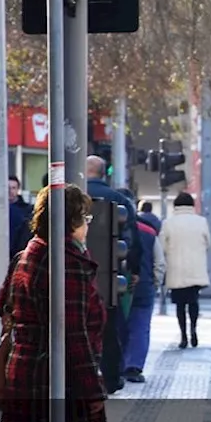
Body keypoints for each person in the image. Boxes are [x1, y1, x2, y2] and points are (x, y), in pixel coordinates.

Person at [0, 184, 108, 422]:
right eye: (84, 216)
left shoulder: (29, 251)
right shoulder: (66, 262)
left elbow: (2, 304)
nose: (88, 223)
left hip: (27, 371)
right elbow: (73, 333)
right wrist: (92, 390)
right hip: (58, 379)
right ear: (70, 219)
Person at [85, 156, 138, 392]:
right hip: (109, 277)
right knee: (110, 329)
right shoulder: (119, 200)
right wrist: (133, 269)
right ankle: (111, 378)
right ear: (103, 173)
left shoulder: (69, 196)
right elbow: (133, 240)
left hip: (73, 274)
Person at [159, 192, 211, 348]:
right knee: (193, 301)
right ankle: (194, 330)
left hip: (176, 270)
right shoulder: (201, 222)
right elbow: (208, 243)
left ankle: (183, 336)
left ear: (175, 206)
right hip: (195, 269)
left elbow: (162, 246)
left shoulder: (168, 223)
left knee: (180, 305)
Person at [123, 210, 164, 383]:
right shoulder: (149, 231)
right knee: (140, 328)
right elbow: (159, 263)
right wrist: (155, 283)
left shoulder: (115, 226)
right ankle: (134, 367)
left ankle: (117, 365)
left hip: (117, 287)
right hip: (144, 287)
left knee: (118, 327)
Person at [9, 176, 34, 258]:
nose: (10, 191)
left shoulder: (27, 210)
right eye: (8, 187)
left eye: (13, 188)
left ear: (18, 189)